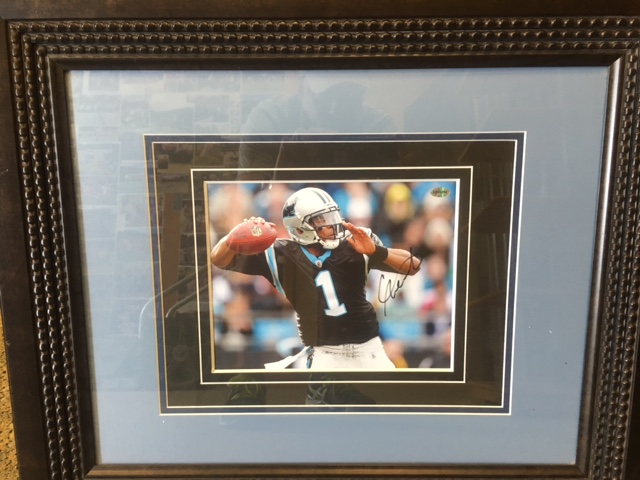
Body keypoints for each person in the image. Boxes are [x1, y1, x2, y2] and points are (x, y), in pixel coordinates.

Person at [210, 186, 421, 370]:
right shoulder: (278, 254)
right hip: (325, 354)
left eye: (333, 216)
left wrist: (376, 251)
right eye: (323, 220)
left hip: (369, 349)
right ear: (300, 227)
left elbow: (413, 266)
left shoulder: (354, 242)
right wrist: (234, 237)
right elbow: (219, 259)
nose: (333, 224)